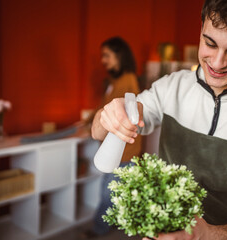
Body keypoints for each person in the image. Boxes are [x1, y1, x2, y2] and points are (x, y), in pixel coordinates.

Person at [91, 1, 227, 239]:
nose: (217, 63)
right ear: (200, 31)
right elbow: (98, 132)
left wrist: (209, 235)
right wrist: (107, 116)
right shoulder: (170, 87)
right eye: (210, 43)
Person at [83, 36, 142, 239]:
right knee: (112, 193)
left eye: (107, 55)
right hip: (116, 152)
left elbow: (126, 116)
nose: (103, 60)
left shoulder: (128, 81)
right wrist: (87, 121)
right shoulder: (113, 82)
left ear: (119, 56)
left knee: (108, 194)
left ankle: (98, 230)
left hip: (124, 153)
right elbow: (103, 107)